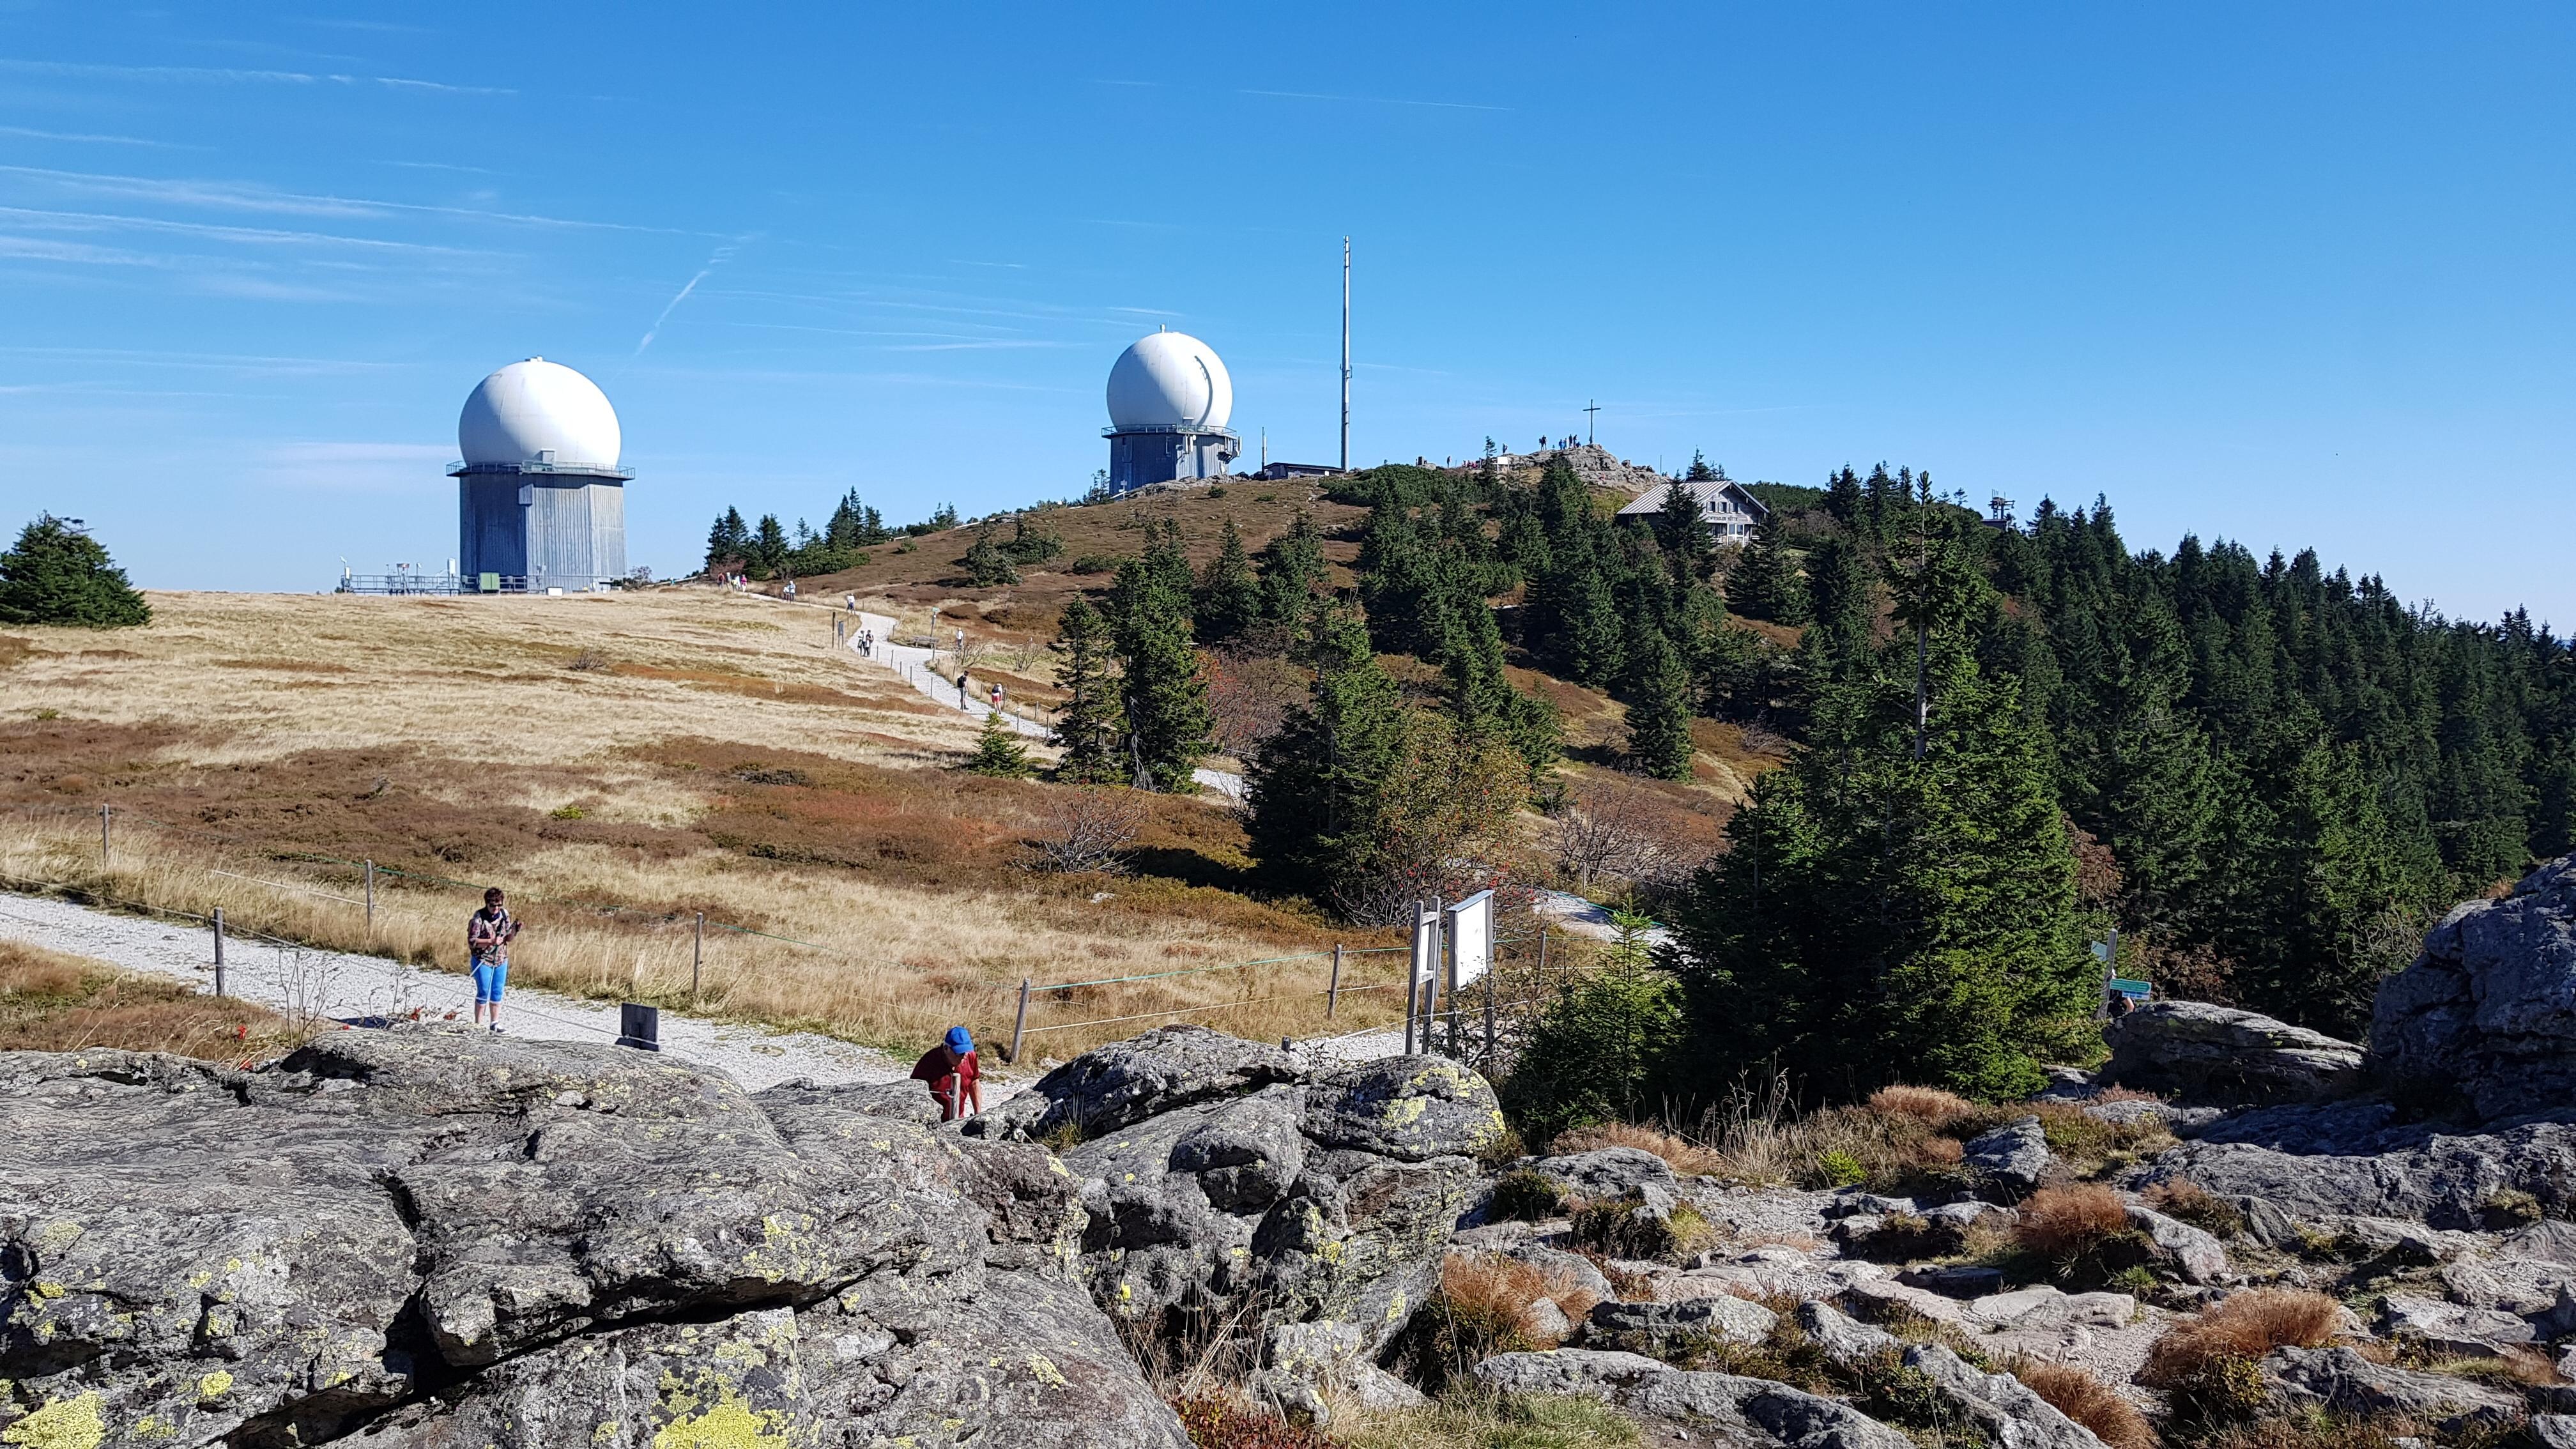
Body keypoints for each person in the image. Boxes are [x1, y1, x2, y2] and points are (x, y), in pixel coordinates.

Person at [467, 887, 519, 1032]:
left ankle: (494, 1023)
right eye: (492, 905)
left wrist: (515, 931)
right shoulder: (478, 918)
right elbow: (472, 941)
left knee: (498, 990)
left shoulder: (504, 915)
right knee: (484, 991)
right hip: (483, 959)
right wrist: (491, 941)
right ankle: (478, 1024)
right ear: (487, 904)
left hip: (501, 958)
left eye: (499, 905)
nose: (496, 908)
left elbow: (507, 938)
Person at [910, 1026, 982, 1121]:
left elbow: (974, 1082)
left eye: (965, 1052)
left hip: (958, 1120)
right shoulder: (928, 1062)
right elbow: (913, 1092)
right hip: (934, 1122)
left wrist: (978, 1113)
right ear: (946, 1048)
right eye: (959, 1053)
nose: (963, 1056)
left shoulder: (970, 1057)